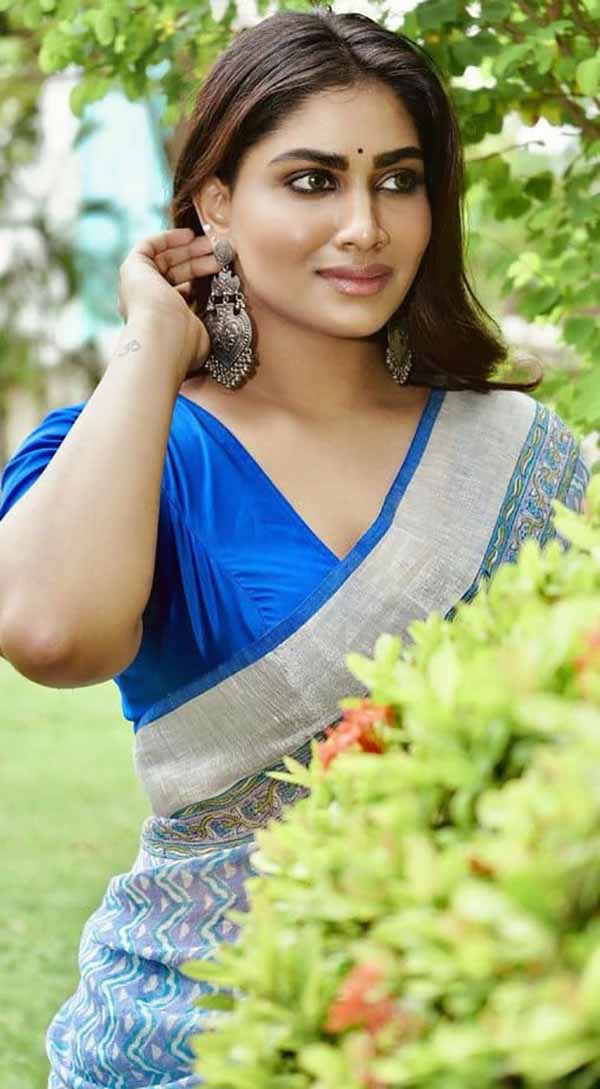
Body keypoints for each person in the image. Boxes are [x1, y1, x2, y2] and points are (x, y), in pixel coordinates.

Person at [0, 9, 590, 1088]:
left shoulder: (518, 456)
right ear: (216, 200)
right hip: (188, 1025)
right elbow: (49, 632)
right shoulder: (129, 445)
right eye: (313, 180)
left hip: (477, 1018)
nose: (365, 226)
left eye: (399, 181)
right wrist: (152, 341)